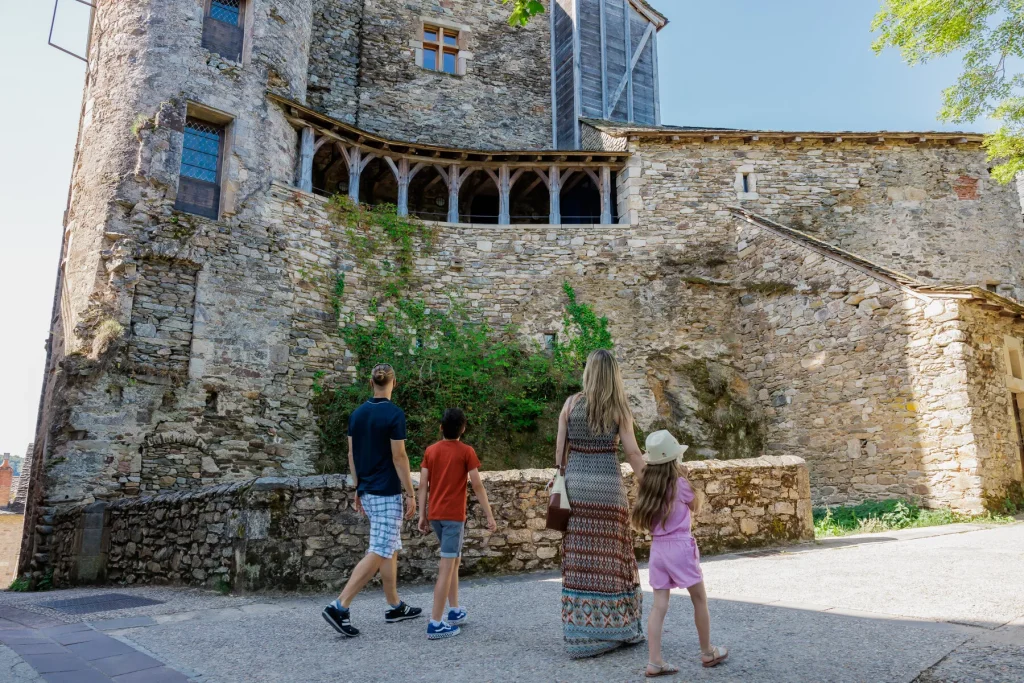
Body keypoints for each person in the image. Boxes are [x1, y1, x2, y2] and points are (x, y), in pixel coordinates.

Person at [555, 349, 647, 658]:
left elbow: (560, 455)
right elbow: (633, 454)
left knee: (580, 561)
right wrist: (652, 484)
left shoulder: (570, 404)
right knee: (611, 560)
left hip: (576, 490)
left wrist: (563, 480)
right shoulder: (619, 409)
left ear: (589, 372)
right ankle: (617, 628)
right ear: (614, 375)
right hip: (608, 491)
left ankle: (581, 635)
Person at [322, 364, 423, 637]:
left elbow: (351, 455)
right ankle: (339, 606)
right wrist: (410, 493)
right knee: (380, 549)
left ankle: (394, 606)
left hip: (367, 490)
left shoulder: (357, 414)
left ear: (371, 383)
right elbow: (399, 457)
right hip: (387, 492)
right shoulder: (394, 414)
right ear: (394, 383)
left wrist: (358, 486)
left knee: (389, 547)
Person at [630, 430, 728, 676]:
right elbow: (696, 506)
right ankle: (707, 651)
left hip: (658, 550)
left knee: (659, 606)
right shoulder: (680, 484)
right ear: (674, 460)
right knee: (699, 599)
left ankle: (655, 661)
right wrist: (684, 477)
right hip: (680, 547)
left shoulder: (648, 486)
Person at [417, 408, 498, 640]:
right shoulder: (466, 452)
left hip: (436, 516)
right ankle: (435, 623)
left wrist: (422, 515)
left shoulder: (431, 451)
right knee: (447, 566)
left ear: (441, 427)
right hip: (453, 517)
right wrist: (489, 515)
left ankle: (454, 610)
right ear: (463, 429)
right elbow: (477, 485)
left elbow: (423, 485)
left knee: (453, 560)